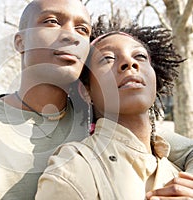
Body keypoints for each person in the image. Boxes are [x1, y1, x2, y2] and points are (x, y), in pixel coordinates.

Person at [0, 1, 193, 199]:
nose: (71, 35)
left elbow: (177, 150)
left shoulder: (100, 121)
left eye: (82, 29)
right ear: (20, 41)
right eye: (52, 21)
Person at [35, 19, 193, 200]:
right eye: (107, 58)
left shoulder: (180, 172)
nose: (129, 62)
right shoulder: (74, 167)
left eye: (140, 57)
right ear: (86, 91)